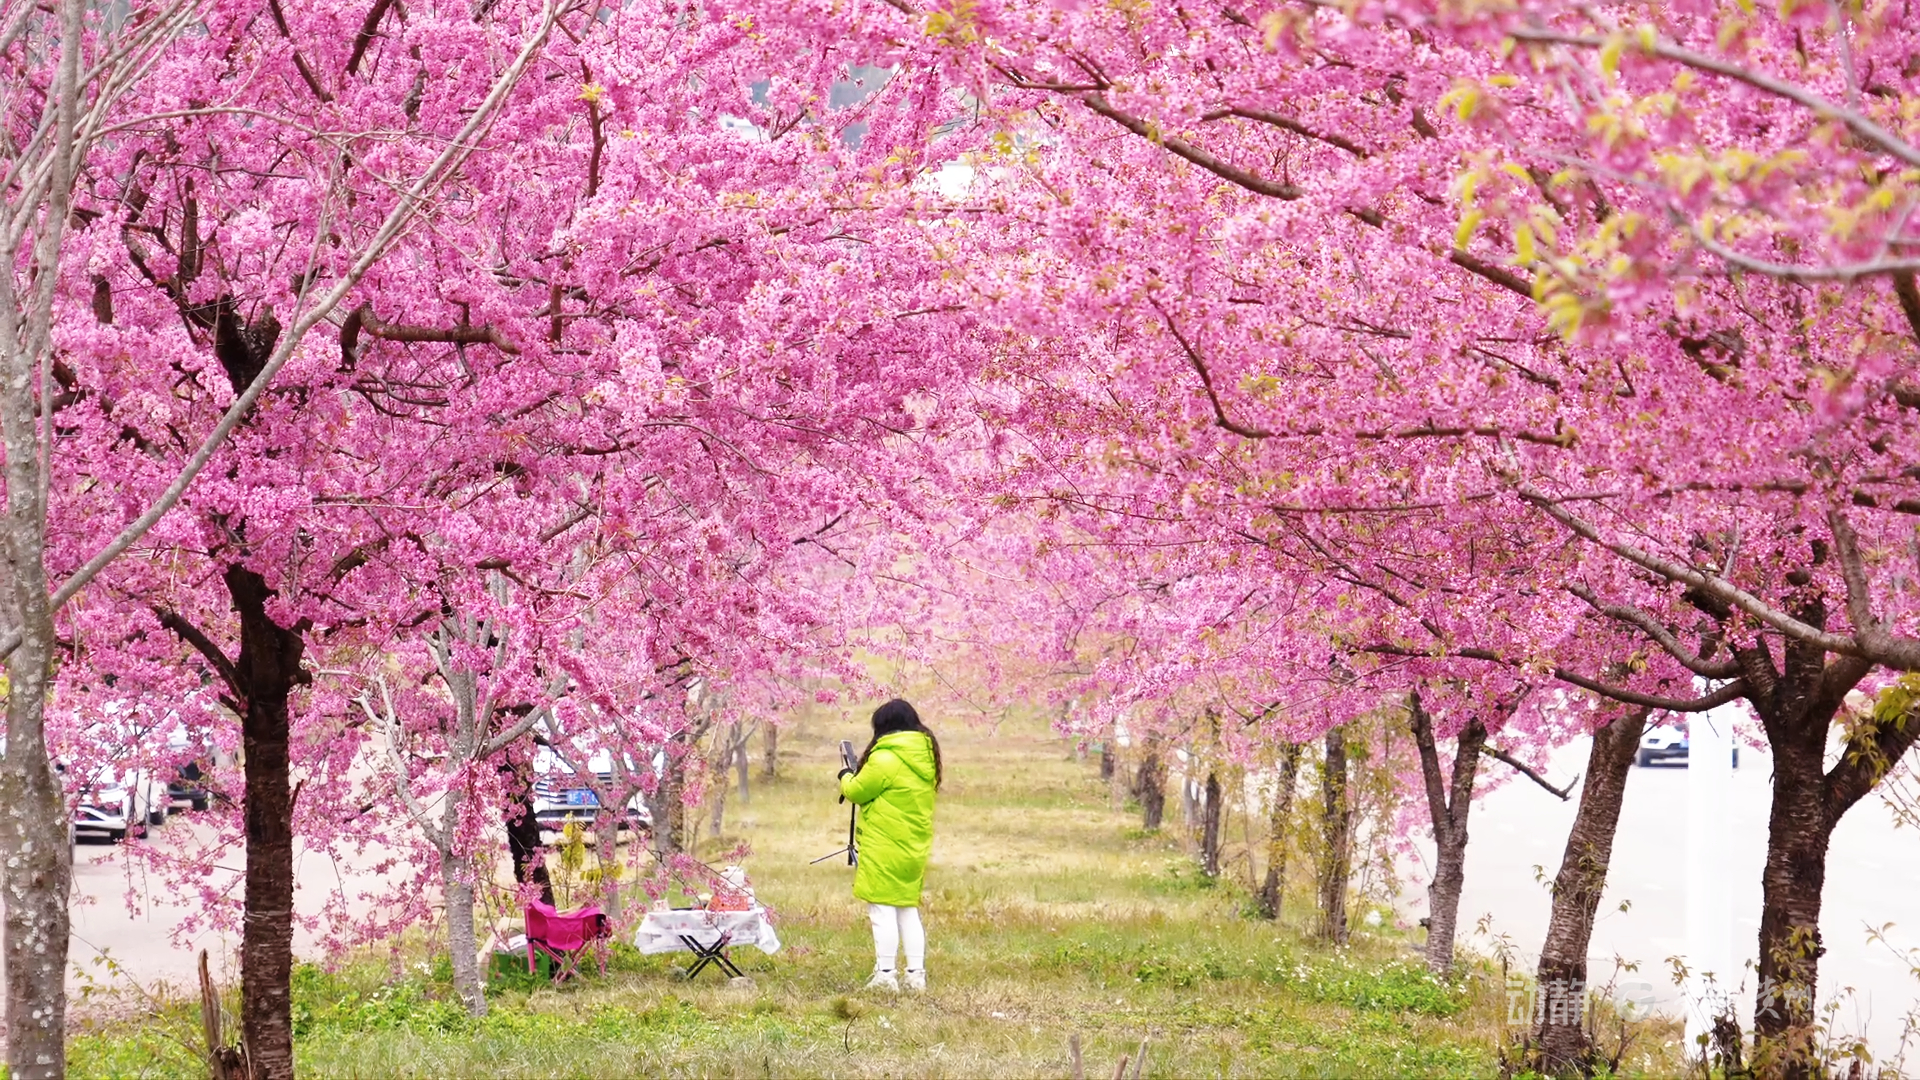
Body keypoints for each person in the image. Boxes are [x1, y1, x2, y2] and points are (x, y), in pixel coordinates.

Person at [837, 698, 942, 992]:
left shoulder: (886, 758)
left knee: (881, 911)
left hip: (885, 844)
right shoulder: (925, 755)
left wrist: (846, 775)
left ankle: (885, 976)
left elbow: (858, 791)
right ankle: (915, 975)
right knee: (907, 910)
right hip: (913, 846)